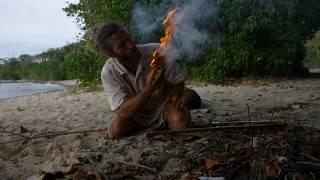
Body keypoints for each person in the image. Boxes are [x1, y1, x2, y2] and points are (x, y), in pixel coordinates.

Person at [93, 22, 201, 139]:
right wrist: (150, 88)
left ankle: (164, 122)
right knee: (115, 132)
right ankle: (156, 126)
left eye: (128, 38)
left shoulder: (156, 51)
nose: (130, 45)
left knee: (180, 120)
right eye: (122, 45)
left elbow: (177, 81)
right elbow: (124, 112)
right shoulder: (108, 72)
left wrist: (176, 97)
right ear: (111, 54)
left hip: (163, 107)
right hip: (135, 113)